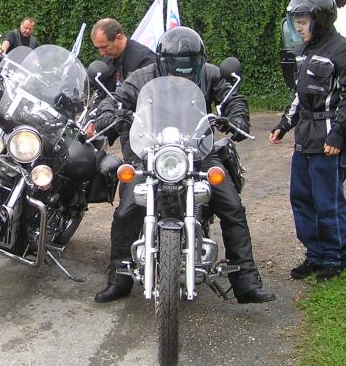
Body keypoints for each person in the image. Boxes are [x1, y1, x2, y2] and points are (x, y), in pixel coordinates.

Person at [93, 26, 275, 304]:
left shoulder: (210, 74)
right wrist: (110, 114)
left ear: (199, 62)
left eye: (189, 66)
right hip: (151, 152)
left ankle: (246, 282)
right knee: (127, 209)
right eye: (176, 67)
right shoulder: (142, 76)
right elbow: (115, 99)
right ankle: (118, 278)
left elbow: (232, 98)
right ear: (163, 62)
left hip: (197, 151)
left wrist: (237, 118)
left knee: (232, 205)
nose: (182, 74)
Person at [269, 0, 346, 282]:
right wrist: (284, 125)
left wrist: (337, 136)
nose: (298, 28)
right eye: (296, 22)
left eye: (303, 22)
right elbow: (299, 96)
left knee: (327, 200)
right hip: (305, 138)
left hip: (328, 140)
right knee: (301, 198)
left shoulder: (345, 52)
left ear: (320, 19)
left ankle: (335, 257)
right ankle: (315, 254)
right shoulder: (304, 52)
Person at [90, 18, 155, 96]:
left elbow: (148, 96)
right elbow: (101, 92)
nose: (101, 53)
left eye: (104, 47)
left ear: (119, 38)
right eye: (98, 48)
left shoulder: (144, 60)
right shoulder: (108, 60)